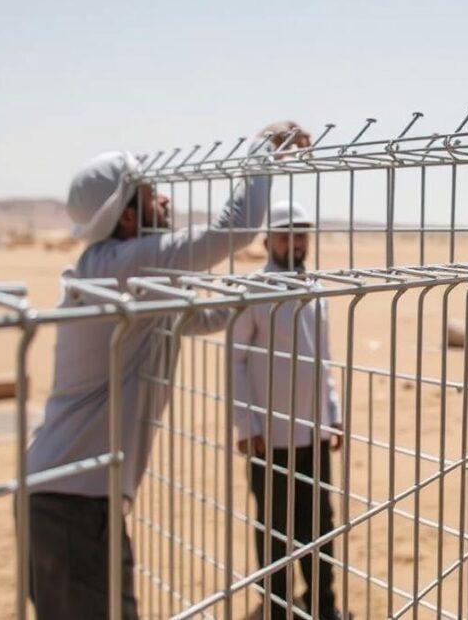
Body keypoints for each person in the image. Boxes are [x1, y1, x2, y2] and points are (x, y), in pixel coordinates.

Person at [25, 122, 306, 619]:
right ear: (129, 217)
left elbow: (203, 317)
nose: (169, 206)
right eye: (156, 198)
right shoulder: (121, 265)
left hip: (78, 501)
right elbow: (234, 230)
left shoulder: (127, 278)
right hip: (71, 503)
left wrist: (275, 279)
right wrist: (262, 153)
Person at [232, 201, 346, 620]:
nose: (294, 243)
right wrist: (246, 422)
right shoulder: (254, 290)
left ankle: (323, 604)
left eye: (301, 235)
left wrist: (333, 412)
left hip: (313, 433)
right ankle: (276, 605)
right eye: (285, 235)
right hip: (269, 436)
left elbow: (324, 358)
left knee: (319, 522)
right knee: (274, 527)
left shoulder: (317, 289)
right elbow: (236, 359)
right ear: (268, 241)